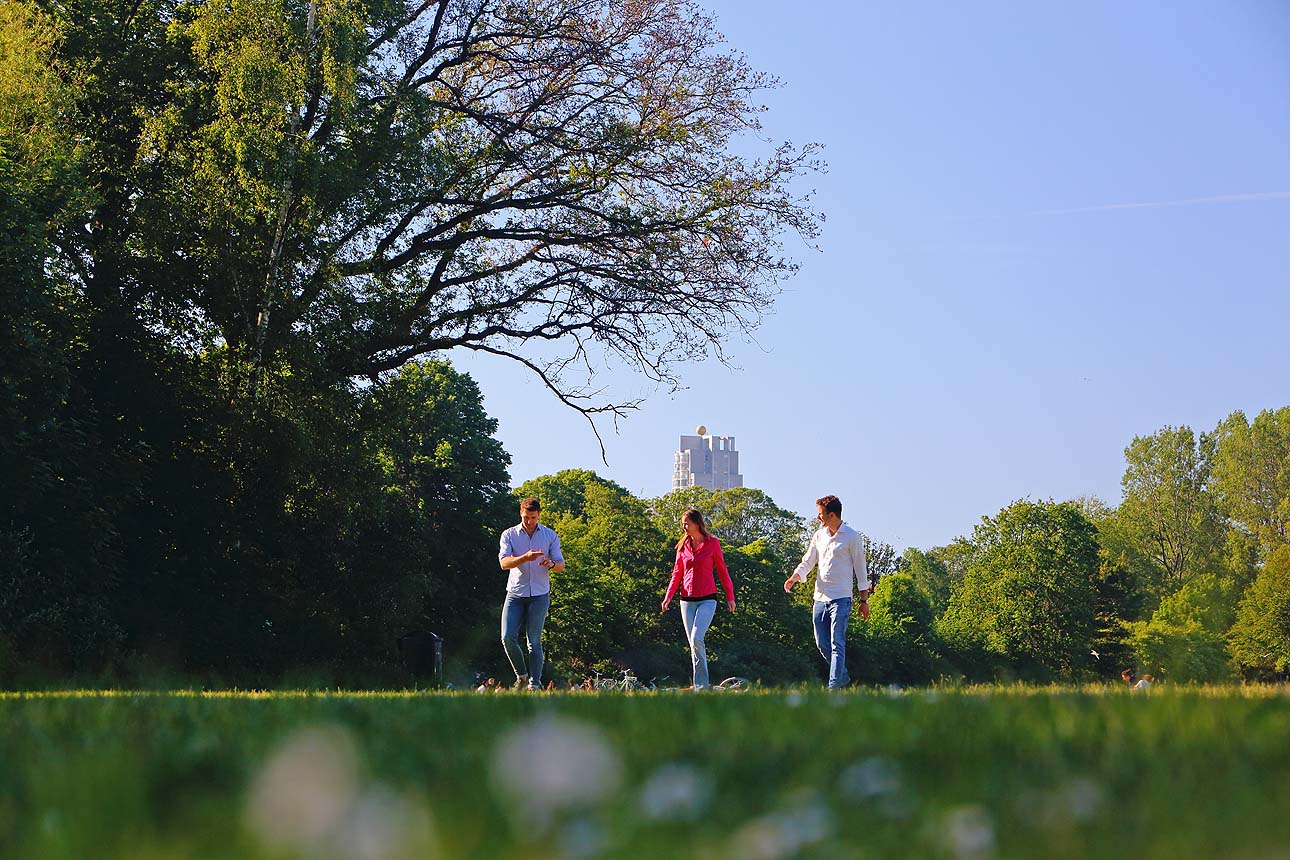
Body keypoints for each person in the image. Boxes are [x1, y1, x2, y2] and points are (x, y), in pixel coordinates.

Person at [783, 495, 870, 690]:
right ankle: (843, 678)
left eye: (820, 514)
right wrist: (795, 577)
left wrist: (864, 600)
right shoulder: (819, 536)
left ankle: (833, 688)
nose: (817, 517)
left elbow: (861, 570)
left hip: (841, 599)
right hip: (820, 598)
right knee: (822, 644)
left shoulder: (851, 537)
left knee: (836, 643)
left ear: (832, 514)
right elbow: (808, 560)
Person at [660, 509, 736, 690]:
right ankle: (700, 686)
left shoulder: (713, 544)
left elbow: (722, 571)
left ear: (697, 524)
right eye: (683, 523)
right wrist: (668, 596)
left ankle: (701, 685)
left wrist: (730, 597)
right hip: (686, 600)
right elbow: (677, 573)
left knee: (697, 637)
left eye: (687, 523)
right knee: (693, 644)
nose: (684, 526)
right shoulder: (682, 547)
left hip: (708, 599)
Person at [498, 497, 565, 690]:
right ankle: (522, 676)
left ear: (539, 515)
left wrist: (551, 564)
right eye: (527, 517)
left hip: (539, 594)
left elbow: (561, 564)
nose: (530, 521)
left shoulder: (549, 535)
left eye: (534, 517)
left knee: (534, 641)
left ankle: (535, 684)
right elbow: (504, 563)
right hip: (515, 593)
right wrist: (524, 557)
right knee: (507, 637)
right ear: (521, 513)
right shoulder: (509, 535)